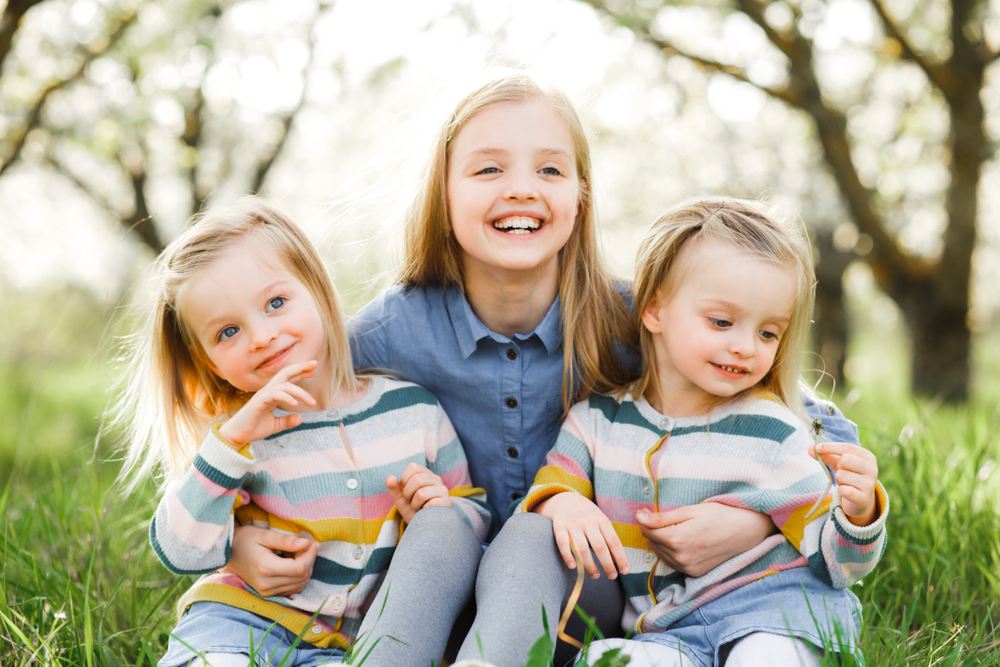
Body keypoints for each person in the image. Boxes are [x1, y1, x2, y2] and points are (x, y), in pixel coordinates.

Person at [223, 73, 865, 666]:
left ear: (580, 198)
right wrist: (236, 544)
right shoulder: (388, 335)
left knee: (533, 536)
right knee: (494, 535)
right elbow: (250, 421)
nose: (521, 188)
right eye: (488, 168)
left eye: (550, 169)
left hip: (593, 591)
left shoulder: (634, 317)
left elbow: (796, 414)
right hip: (425, 592)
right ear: (442, 192)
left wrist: (757, 516)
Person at [116, 198, 492, 667]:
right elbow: (178, 549)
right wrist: (230, 448)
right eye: (227, 332)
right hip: (235, 625)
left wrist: (437, 509)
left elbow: (475, 515)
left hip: (347, 646)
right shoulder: (233, 438)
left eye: (276, 303)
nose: (261, 335)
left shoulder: (413, 409)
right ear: (206, 362)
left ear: (316, 288)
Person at [513, 198, 889, 667]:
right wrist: (561, 501)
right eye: (722, 322)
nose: (745, 346)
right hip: (668, 629)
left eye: (769, 333)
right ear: (654, 310)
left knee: (766, 658)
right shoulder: (597, 420)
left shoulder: (769, 430)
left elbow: (839, 562)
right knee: (607, 659)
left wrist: (859, 512)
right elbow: (555, 480)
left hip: (771, 611)